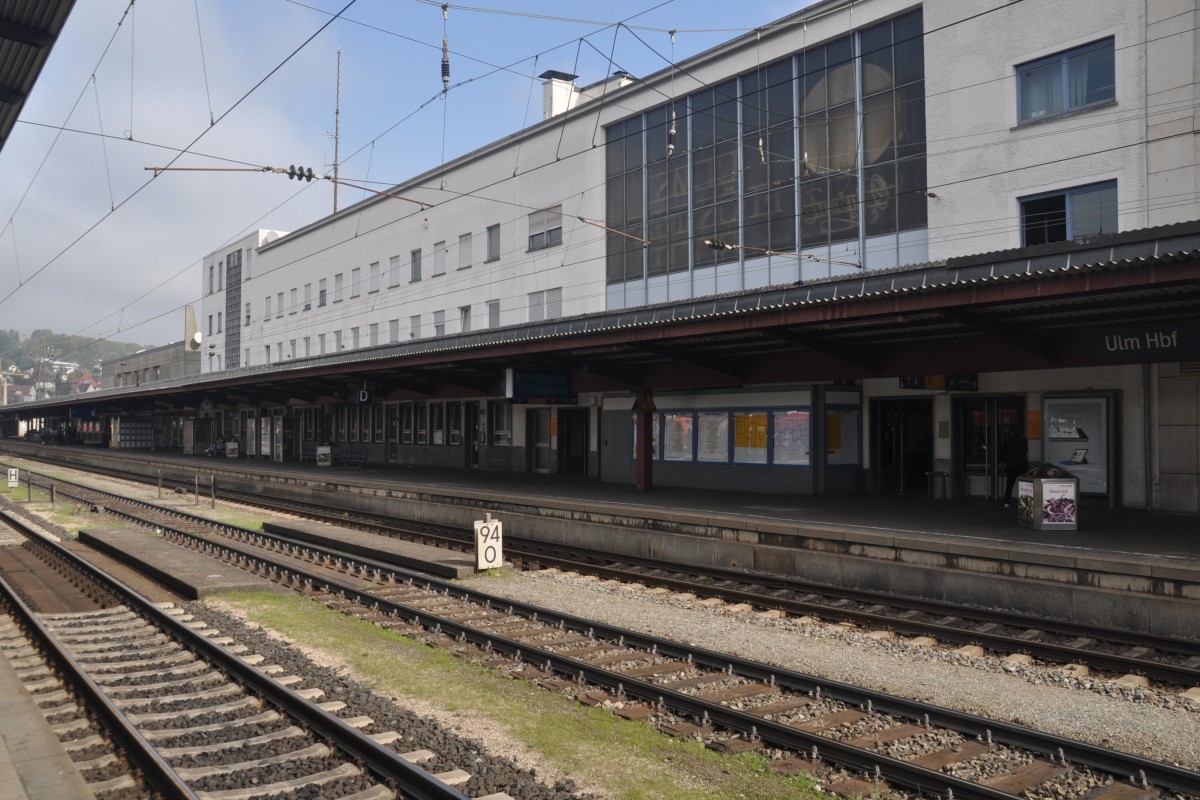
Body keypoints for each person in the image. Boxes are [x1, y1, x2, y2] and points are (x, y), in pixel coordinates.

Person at [1002, 431, 1028, 507]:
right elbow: (1025, 451)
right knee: (1024, 485)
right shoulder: (1024, 440)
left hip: (1011, 466)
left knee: (1009, 485)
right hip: (1022, 465)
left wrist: (1006, 460)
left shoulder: (1008, 441)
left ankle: (1007, 502)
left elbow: (1002, 452)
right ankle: (1024, 502)